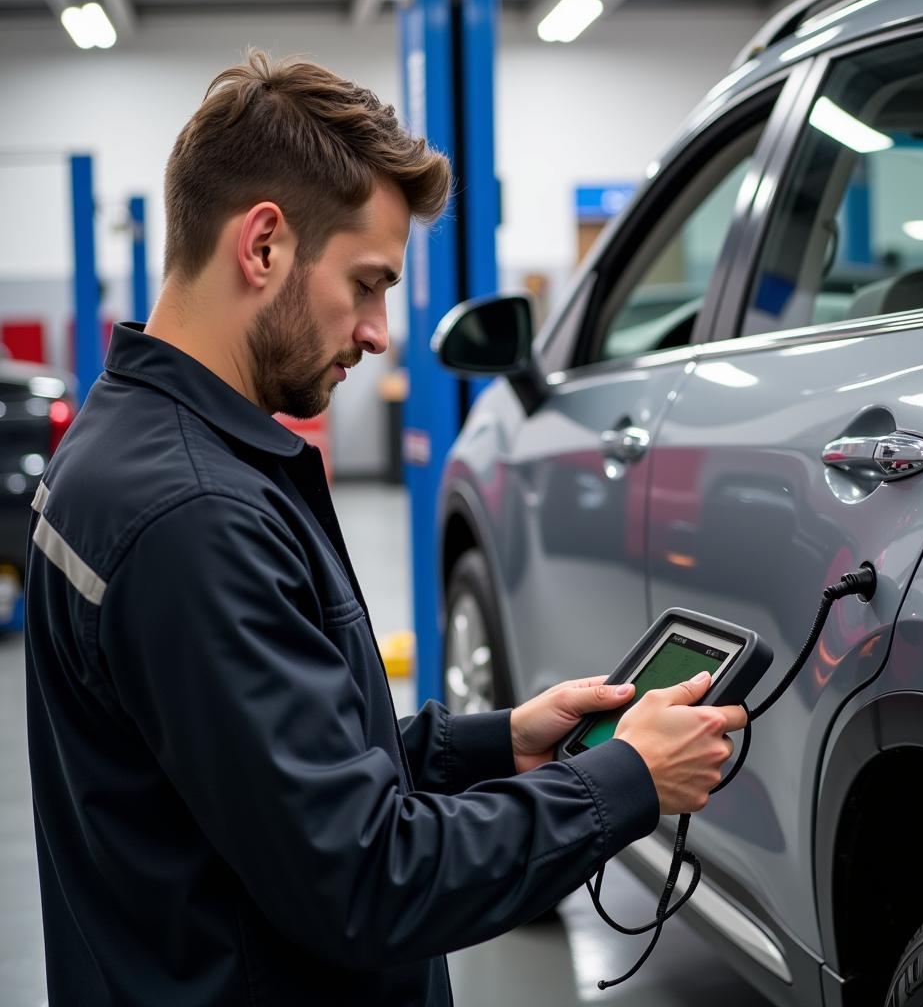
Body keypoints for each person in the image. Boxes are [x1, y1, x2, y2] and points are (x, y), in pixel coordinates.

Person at [23, 51, 747, 1006]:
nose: (376, 331)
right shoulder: (195, 516)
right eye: (366, 284)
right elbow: (367, 882)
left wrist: (496, 745)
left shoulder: (130, 448)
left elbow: (267, 776)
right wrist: (622, 781)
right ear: (265, 245)